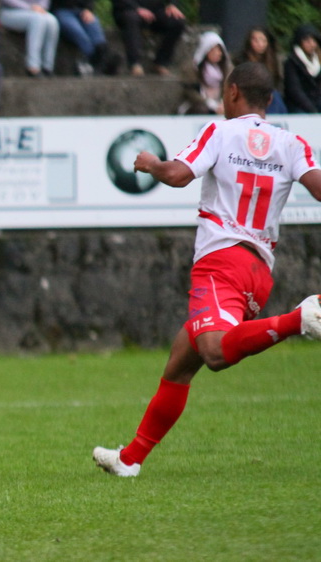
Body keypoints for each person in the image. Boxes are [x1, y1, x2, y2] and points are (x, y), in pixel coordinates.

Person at [93, 62, 321, 478]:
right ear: (269, 100)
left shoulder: (220, 132)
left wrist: (150, 163)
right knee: (181, 362)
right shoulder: (292, 143)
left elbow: (178, 175)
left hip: (220, 262)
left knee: (214, 351)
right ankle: (130, 460)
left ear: (232, 92)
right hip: (258, 271)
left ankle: (299, 319)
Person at [111, 0, 185, 77]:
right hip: (127, 9)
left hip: (155, 10)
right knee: (131, 18)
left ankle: (161, 62)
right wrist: (137, 8)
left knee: (177, 22)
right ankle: (135, 64)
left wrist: (172, 5)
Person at [50, 0, 119, 76]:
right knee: (79, 34)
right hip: (61, 10)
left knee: (97, 36)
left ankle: (102, 58)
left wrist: (88, 9)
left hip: (82, 10)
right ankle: (103, 59)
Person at [0, 0, 59, 78]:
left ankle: (47, 67)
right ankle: (33, 67)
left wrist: (41, 7)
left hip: (36, 11)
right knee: (38, 19)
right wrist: (29, 8)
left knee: (52, 21)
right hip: (10, 11)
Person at [235, 26, 287, 114]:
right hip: (249, 94)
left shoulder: (274, 60)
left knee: (275, 96)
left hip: (268, 94)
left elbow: (277, 83)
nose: (260, 44)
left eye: (263, 40)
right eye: (256, 40)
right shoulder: (240, 61)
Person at [177, 31, 231, 115]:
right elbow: (190, 92)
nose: (218, 53)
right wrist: (210, 104)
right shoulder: (193, 68)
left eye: (220, 50)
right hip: (199, 104)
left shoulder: (226, 69)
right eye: (214, 50)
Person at [283, 24, 321, 114]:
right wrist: (313, 110)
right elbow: (295, 91)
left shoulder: (318, 60)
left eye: (314, 40)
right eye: (307, 40)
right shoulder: (291, 62)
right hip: (298, 105)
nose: (312, 44)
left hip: (316, 102)